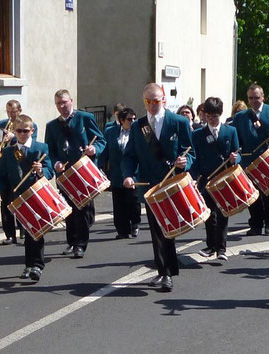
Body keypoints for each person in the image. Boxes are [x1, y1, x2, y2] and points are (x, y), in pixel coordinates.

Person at [122, 83, 194, 292]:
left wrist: (184, 162)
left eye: (155, 101)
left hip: (173, 183)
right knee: (157, 228)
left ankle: (167, 271)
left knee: (168, 226)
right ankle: (165, 272)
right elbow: (130, 155)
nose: (152, 105)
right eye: (148, 102)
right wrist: (128, 175)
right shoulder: (138, 127)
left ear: (163, 99)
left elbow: (190, 152)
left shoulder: (178, 122)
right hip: (151, 185)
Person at [0, 115, 54, 281]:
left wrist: (41, 170)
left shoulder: (41, 148)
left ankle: (37, 266)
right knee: (27, 231)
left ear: (32, 131)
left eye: (26, 131)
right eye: (19, 131)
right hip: (18, 197)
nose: (22, 134)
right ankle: (28, 265)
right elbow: (0, 175)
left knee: (37, 231)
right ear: (15, 132)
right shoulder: (8, 152)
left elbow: (49, 171)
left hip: (37, 195)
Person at [45, 89, 106, 258]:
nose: (62, 106)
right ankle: (71, 242)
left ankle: (81, 244)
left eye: (64, 102)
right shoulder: (51, 126)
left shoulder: (85, 118)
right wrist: (55, 163)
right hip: (64, 174)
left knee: (82, 208)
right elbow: (49, 150)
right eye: (58, 103)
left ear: (71, 101)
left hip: (83, 171)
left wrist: (94, 149)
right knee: (69, 209)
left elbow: (101, 140)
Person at [233, 83, 269, 236]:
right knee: (253, 193)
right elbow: (235, 139)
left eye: (257, 98)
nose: (254, 101)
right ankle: (256, 223)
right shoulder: (240, 117)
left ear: (263, 97)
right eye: (251, 98)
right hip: (248, 160)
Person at [191, 97, 240, 261]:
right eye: (209, 116)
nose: (212, 120)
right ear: (205, 115)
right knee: (209, 214)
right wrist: (193, 177)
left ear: (221, 114)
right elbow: (195, 158)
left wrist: (235, 158)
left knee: (223, 213)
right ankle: (211, 245)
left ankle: (222, 248)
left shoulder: (230, 131)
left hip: (224, 178)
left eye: (215, 116)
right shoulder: (198, 135)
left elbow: (237, 153)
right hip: (206, 179)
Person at [0, 100, 38, 245]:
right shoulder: (2, 123)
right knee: (6, 203)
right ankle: (10, 234)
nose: (11, 115)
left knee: (22, 200)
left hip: (21, 166)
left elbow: (32, 141)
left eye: (14, 111)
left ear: (20, 110)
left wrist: (14, 137)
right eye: (8, 111)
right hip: (4, 165)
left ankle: (23, 230)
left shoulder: (30, 124)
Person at [98, 107, 141, 239]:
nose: (132, 121)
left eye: (134, 118)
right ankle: (122, 230)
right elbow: (105, 151)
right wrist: (100, 167)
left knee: (132, 200)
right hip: (116, 173)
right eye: (129, 119)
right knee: (118, 202)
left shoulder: (138, 132)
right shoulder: (111, 132)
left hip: (133, 172)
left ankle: (135, 223)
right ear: (121, 120)